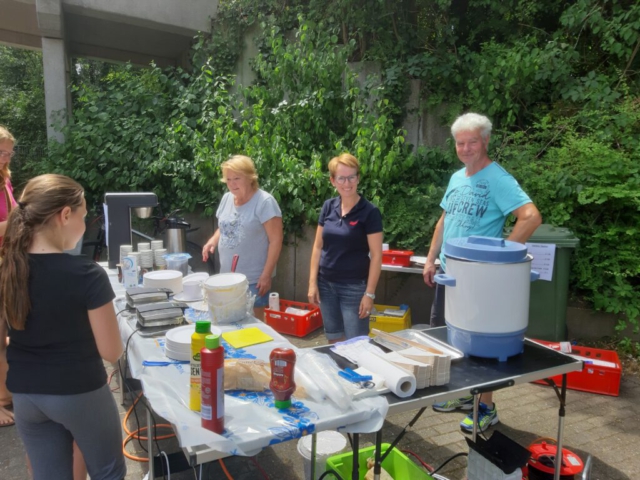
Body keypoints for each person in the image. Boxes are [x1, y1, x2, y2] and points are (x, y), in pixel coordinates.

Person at [0, 174, 127, 480]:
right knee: (109, 472)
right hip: (80, 390)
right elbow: (111, 352)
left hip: (26, 395)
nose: (84, 224)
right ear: (65, 215)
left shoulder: (7, 270)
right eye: (83, 216)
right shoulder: (86, 274)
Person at [423, 113, 542, 434]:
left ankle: (487, 408)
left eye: (472, 142)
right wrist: (431, 259)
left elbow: (531, 217)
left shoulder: (498, 179)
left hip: (480, 280)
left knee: (483, 347)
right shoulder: (456, 178)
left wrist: (500, 259)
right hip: (450, 272)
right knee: (451, 338)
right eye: (460, 143)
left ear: (486, 141)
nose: (465, 148)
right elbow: (444, 221)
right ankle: (464, 395)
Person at [308, 153, 383, 343]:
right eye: (341, 178)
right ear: (333, 180)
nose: (347, 183)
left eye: (351, 177)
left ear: (358, 178)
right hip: (326, 285)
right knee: (334, 339)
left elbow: (376, 256)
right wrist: (312, 283)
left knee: (356, 344)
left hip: (354, 288)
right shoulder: (328, 207)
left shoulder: (370, 212)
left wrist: (369, 294)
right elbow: (317, 246)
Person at [202, 155, 283, 320]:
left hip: (253, 281)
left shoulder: (264, 202)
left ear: (250, 177)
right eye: (228, 179)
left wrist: (266, 275)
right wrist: (213, 240)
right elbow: (224, 227)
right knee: (228, 323)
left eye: (237, 178)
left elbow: (276, 240)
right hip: (227, 279)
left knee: (253, 327)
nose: (232, 184)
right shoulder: (226, 198)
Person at [0, 125, 18, 428]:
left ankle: (5, 393)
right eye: (1, 152)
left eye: (9, 153)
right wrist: (17, 222)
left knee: (5, 330)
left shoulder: (5, 179)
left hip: (6, 260)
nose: (6, 157)